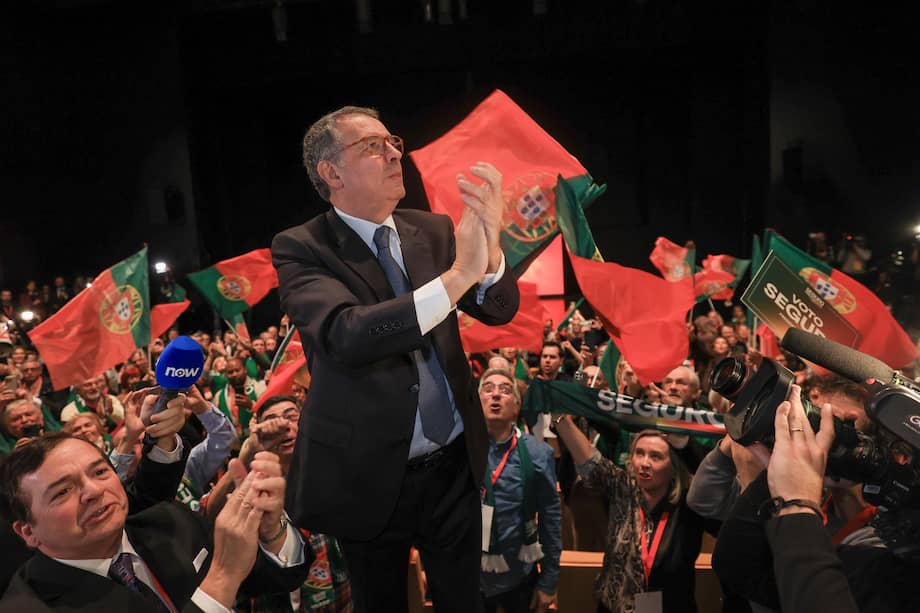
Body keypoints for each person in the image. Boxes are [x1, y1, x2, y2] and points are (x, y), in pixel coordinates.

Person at [271, 104, 518, 613]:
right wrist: (458, 276)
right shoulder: (302, 247)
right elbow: (347, 334)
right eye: (372, 146)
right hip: (368, 475)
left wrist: (490, 253)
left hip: (454, 466)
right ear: (332, 172)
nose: (392, 154)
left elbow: (499, 309)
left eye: (392, 142)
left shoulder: (432, 229)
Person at [0, 432, 310, 612]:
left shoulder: (169, 521)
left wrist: (271, 532)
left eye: (100, 472)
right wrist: (221, 578)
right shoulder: (27, 605)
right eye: (63, 491)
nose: (93, 491)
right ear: (27, 531)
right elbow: (228, 575)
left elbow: (275, 579)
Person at [550, 415, 717, 613]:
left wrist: (686, 446)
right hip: (613, 606)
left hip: (671, 607)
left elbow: (714, 480)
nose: (644, 463)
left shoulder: (689, 502)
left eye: (655, 456)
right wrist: (560, 417)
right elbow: (588, 460)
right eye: (639, 453)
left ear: (673, 466)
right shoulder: (623, 487)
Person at [478, 369, 560, 613]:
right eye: (488, 389)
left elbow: (550, 517)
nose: (495, 395)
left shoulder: (538, 452)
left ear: (516, 406)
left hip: (519, 575)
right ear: (477, 401)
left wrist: (549, 580)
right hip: (467, 576)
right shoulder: (460, 450)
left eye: (505, 390)